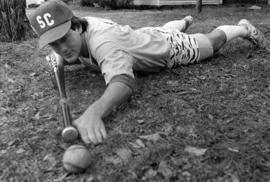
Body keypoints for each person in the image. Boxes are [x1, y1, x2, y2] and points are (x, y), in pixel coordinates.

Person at [28, 0, 268, 144]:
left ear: (75, 25)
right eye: (53, 42)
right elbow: (60, 55)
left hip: (168, 49)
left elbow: (123, 81)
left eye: (63, 38)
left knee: (212, 43)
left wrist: (95, 111)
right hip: (145, 34)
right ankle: (183, 21)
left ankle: (242, 29)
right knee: (162, 30)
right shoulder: (79, 30)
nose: (60, 48)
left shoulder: (103, 43)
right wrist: (59, 56)